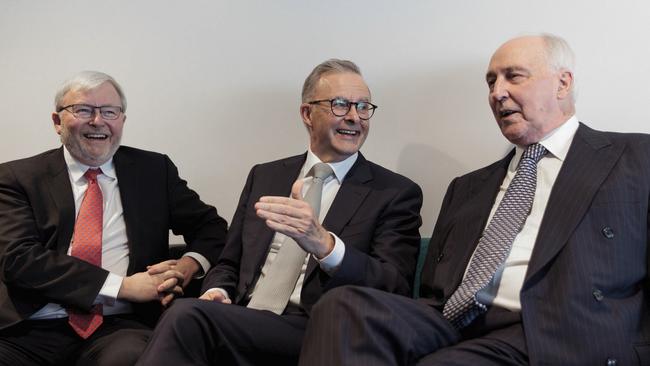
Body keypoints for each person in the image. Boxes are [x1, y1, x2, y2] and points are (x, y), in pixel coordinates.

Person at [297, 35, 650, 366]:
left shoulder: (634, 157)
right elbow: (435, 287)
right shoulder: (467, 187)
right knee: (340, 306)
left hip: (552, 326)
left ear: (563, 83)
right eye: (491, 82)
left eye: (514, 77)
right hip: (452, 319)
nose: (498, 93)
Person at [136, 59, 423, 365]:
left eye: (363, 107)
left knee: (187, 316)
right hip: (243, 318)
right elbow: (229, 261)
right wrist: (217, 290)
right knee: (185, 315)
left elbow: (395, 286)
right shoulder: (266, 176)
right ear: (307, 113)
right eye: (340, 105)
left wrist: (325, 246)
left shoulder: (394, 193)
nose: (354, 117)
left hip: (314, 328)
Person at [0, 71, 228, 366]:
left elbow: (212, 228)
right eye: (83, 110)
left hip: (120, 326)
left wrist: (187, 266)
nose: (98, 121)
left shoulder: (153, 171)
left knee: (133, 358)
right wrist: (123, 286)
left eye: (110, 111)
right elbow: (19, 260)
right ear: (57, 122)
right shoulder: (18, 178)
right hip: (31, 327)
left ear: (122, 120)